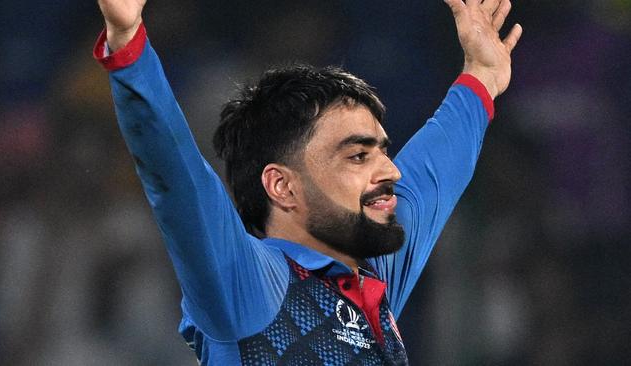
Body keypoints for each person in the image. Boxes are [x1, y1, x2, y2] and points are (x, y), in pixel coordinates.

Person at [94, 0, 521, 364]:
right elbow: (178, 177)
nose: (391, 171)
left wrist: (480, 76)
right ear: (282, 187)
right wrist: (129, 46)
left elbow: (434, 172)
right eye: (357, 155)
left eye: (382, 152)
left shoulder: (373, 276)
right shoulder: (252, 287)